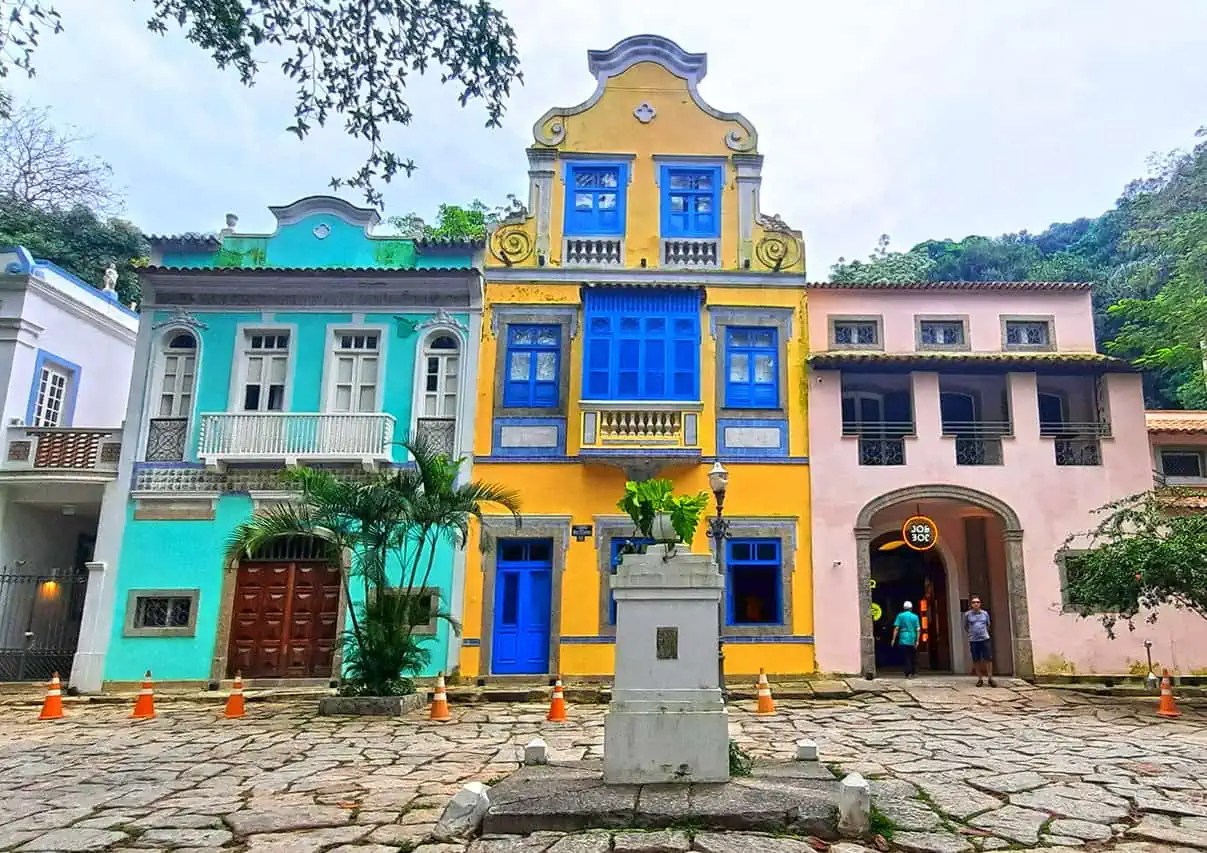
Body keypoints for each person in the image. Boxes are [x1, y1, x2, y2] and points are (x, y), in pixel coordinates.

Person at [963, 596, 995, 687]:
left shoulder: (985, 614)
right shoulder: (967, 615)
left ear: (980, 604)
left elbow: (988, 624)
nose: (976, 604)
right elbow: (966, 626)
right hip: (974, 640)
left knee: (988, 659)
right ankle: (980, 678)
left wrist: (983, 632)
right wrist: (971, 634)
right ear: (971, 604)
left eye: (977, 602)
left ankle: (990, 678)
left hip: (985, 639)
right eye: (973, 602)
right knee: (976, 659)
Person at [891, 601, 921, 678]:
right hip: (912, 638)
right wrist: (917, 640)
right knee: (913, 656)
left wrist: (893, 639)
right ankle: (913, 671)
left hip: (903, 639)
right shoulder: (915, 617)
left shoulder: (900, 616)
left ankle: (908, 672)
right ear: (911, 608)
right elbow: (918, 629)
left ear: (904, 608)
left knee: (906, 656)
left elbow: (896, 628)